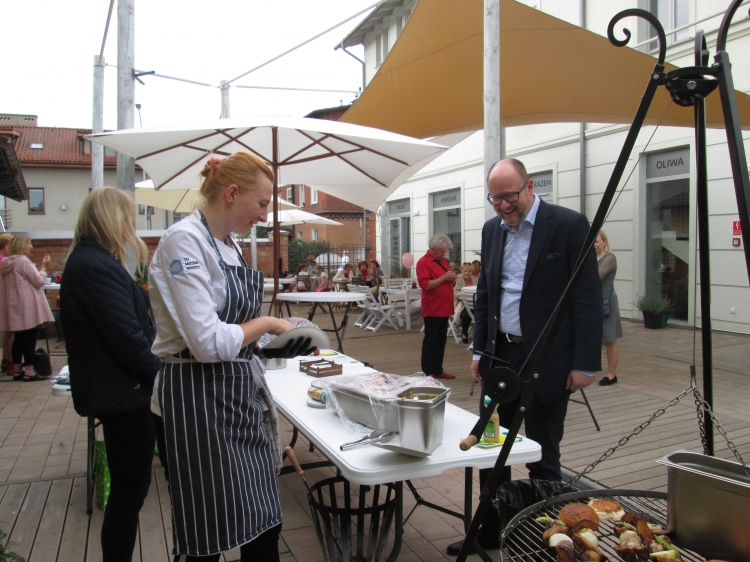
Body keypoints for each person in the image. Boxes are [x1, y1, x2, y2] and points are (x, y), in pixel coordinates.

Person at [148, 151, 313, 562]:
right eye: (262, 203)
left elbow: (234, 330)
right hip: (196, 401)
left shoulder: (230, 246)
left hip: (239, 396)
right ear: (232, 193)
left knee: (265, 523)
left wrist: (273, 343)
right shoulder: (184, 241)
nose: (264, 215)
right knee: (208, 534)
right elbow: (206, 342)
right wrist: (268, 323)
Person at [447, 158, 601, 555]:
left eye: (509, 196)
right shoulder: (491, 230)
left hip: (548, 358)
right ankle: (489, 532)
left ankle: (541, 541)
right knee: (490, 447)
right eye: (495, 198)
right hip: (500, 355)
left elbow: (587, 297)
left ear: (529, 186)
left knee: (543, 453)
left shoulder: (568, 225)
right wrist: (479, 350)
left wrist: (585, 363)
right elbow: (486, 295)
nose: (502, 206)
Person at [59, 187, 162, 562]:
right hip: (125, 395)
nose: (132, 225)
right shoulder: (96, 267)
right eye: (129, 217)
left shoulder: (92, 261)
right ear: (112, 219)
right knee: (129, 492)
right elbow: (128, 341)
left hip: (122, 392)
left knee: (130, 490)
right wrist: (164, 380)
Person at [0, 235, 54, 381]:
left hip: (14, 305)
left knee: (18, 338)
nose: (31, 247)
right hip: (27, 305)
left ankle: (17, 369)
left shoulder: (6, 262)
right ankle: (29, 371)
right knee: (30, 337)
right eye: (29, 244)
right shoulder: (23, 262)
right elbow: (39, 281)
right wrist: (43, 268)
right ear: (22, 245)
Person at [417, 234, 459, 380]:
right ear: (433, 248)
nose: (444, 254)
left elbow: (445, 281)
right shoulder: (423, 262)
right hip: (433, 308)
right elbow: (426, 285)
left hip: (445, 307)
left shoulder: (444, 261)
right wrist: (444, 278)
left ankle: (438, 369)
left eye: (445, 251)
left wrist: (452, 279)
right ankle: (428, 371)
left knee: (441, 341)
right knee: (431, 340)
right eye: (441, 251)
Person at [595, 229, 623, 386]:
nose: (594, 245)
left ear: (605, 242)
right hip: (592, 303)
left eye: (597, 241)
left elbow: (596, 277)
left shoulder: (609, 258)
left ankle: (611, 374)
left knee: (609, 338)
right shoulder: (589, 258)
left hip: (606, 303)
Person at [453, 262, 478, 344]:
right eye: (465, 271)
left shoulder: (475, 279)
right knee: (466, 315)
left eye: (469, 271)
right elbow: (455, 293)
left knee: (481, 314)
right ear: (462, 271)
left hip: (474, 303)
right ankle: (464, 332)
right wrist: (465, 294)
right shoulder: (458, 279)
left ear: (472, 272)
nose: (467, 273)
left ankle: (477, 333)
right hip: (462, 304)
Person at [0, 233, 14, 374]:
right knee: (10, 330)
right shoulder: (4, 261)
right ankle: (10, 360)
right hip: (4, 298)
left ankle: (6, 358)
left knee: (8, 330)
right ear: (5, 245)